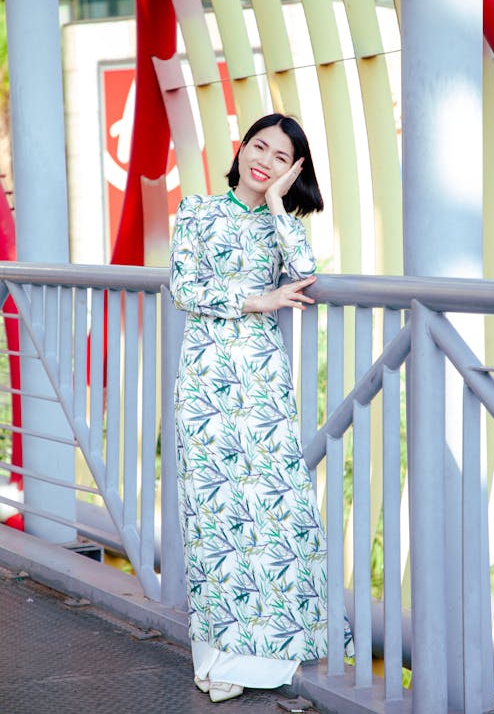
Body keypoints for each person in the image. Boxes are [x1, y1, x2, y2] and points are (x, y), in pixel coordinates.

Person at [170, 113, 353, 704]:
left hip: (263, 380)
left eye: (281, 157)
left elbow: (305, 273)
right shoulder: (197, 211)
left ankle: (277, 650)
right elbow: (185, 289)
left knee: (274, 511)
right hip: (206, 379)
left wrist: (277, 204)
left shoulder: (283, 223)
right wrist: (258, 300)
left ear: (293, 170)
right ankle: (217, 660)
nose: (264, 161)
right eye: (259, 147)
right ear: (240, 147)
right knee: (217, 515)